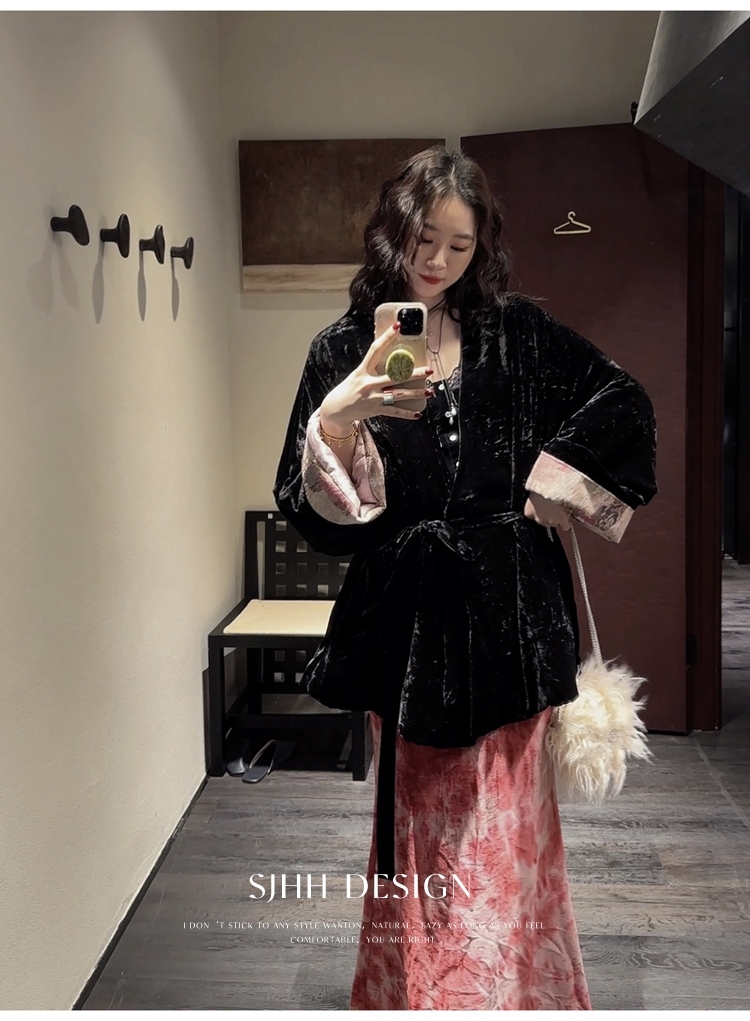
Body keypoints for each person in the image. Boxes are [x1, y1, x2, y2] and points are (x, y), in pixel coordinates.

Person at [273, 146, 658, 1010]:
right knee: (423, 828)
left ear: (482, 247)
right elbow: (311, 512)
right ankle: (427, 992)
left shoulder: (518, 334)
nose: (438, 260)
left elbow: (623, 401)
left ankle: (512, 992)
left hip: (510, 618)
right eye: (425, 238)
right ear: (393, 230)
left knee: (508, 826)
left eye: (460, 244)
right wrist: (337, 421)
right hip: (408, 629)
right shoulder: (343, 347)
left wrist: (557, 481)